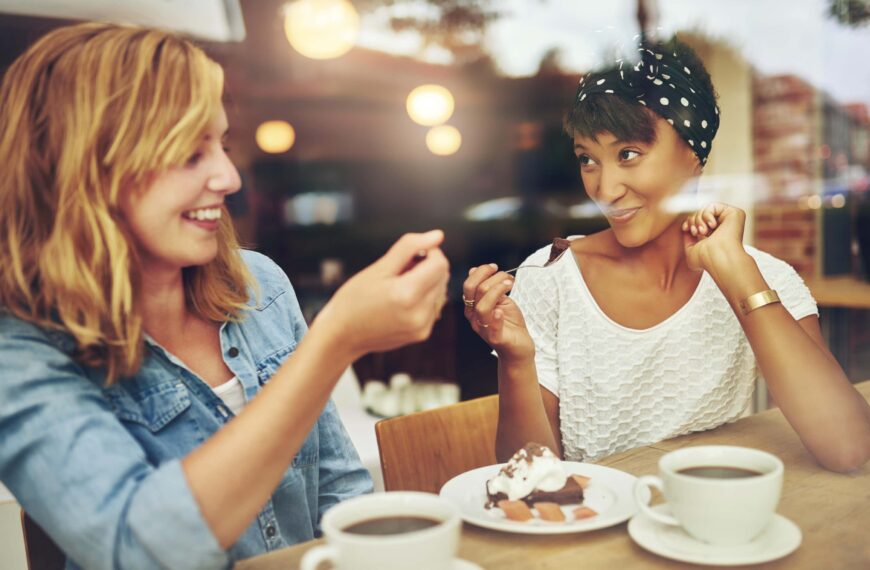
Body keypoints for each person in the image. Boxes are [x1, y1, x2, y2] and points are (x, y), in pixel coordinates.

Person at [0, 23, 449, 569]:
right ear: (87, 168)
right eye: (191, 153)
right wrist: (335, 342)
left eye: (223, 145)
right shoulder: (20, 354)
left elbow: (340, 489)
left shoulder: (259, 285)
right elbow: (134, 548)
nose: (230, 177)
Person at [462, 38, 870, 472]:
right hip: (598, 530)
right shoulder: (552, 276)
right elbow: (530, 475)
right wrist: (516, 359)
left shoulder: (767, 278)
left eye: (628, 154)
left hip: (710, 521)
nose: (605, 189)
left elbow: (848, 447)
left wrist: (736, 274)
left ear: (694, 154)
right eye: (588, 159)